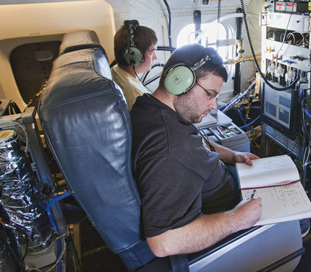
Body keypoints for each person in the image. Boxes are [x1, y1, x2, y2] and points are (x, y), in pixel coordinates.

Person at [130, 44, 262, 258]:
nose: (214, 105)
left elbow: (200, 141)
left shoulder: (152, 108)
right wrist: (239, 219)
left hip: (231, 187)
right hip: (228, 212)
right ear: (179, 80)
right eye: (210, 94)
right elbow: (164, 242)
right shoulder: (170, 149)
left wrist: (233, 156)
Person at [111, 20, 158, 110]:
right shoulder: (135, 96)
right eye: (151, 53)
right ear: (134, 56)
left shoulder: (116, 70)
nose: (155, 57)